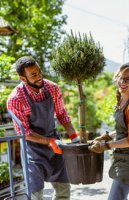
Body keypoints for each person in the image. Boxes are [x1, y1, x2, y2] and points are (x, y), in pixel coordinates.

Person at [7, 56, 80, 200]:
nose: (39, 76)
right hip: (32, 149)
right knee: (36, 194)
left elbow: (62, 114)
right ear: (23, 78)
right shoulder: (16, 99)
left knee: (63, 189)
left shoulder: (52, 88)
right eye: (33, 75)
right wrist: (49, 141)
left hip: (55, 144)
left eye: (39, 71)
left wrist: (74, 137)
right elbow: (25, 132)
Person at [89, 61, 129, 200]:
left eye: (128, 79)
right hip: (122, 158)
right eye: (120, 77)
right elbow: (124, 130)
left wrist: (106, 146)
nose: (122, 81)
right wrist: (107, 136)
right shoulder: (121, 99)